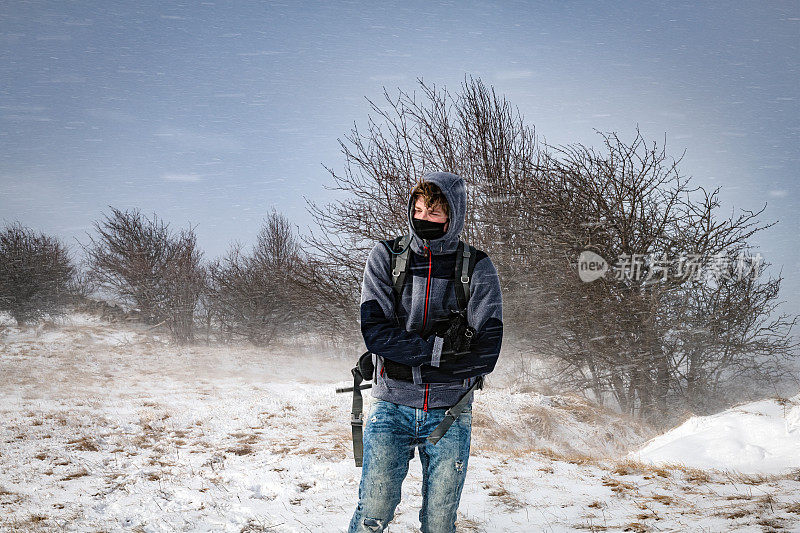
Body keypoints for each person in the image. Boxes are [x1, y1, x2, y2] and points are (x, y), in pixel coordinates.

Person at [349, 171, 503, 533]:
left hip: (450, 410)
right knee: (373, 513)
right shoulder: (386, 257)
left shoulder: (477, 267)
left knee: (439, 523)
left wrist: (414, 349)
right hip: (391, 405)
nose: (423, 220)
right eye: (418, 210)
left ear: (454, 216)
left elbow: (488, 351)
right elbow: (376, 333)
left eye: (434, 213)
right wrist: (439, 351)